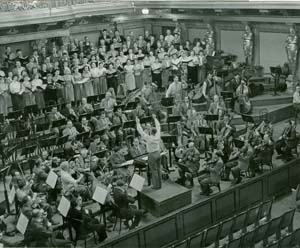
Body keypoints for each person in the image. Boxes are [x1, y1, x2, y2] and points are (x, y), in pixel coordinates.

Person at [136, 114, 162, 189]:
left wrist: (138, 123)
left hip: (152, 155)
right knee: (158, 168)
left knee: (153, 170)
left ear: (151, 131)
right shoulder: (158, 135)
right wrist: (155, 118)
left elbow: (140, 131)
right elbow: (158, 126)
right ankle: (159, 184)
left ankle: (156, 186)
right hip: (158, 152)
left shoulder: (149, 138)